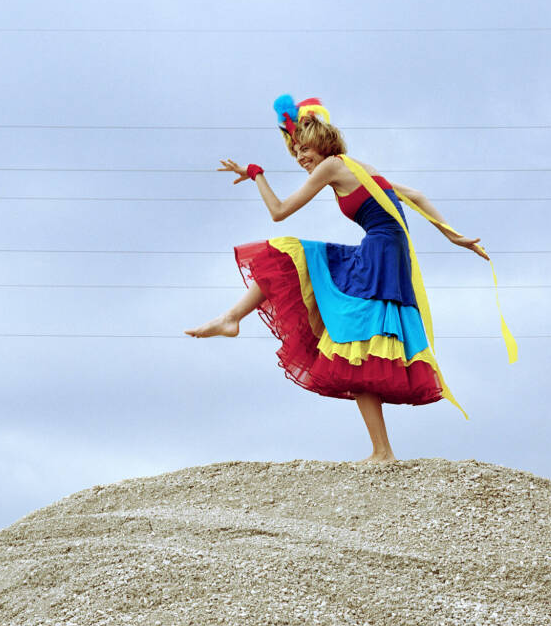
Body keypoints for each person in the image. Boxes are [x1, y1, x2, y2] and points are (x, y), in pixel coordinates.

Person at [185, 95, 516, 463]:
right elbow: (415, 195)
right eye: (296, 152)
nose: (301, 158)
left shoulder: (331, 166)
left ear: (323, 143)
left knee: (289, 255)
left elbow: (279, 211)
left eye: (305, 149)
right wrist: (452, 235)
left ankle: (231, 318)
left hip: (379, 256)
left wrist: (256, 173)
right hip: (387, 256)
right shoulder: (359, 168)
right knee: (356, 350)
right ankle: (382, 451)